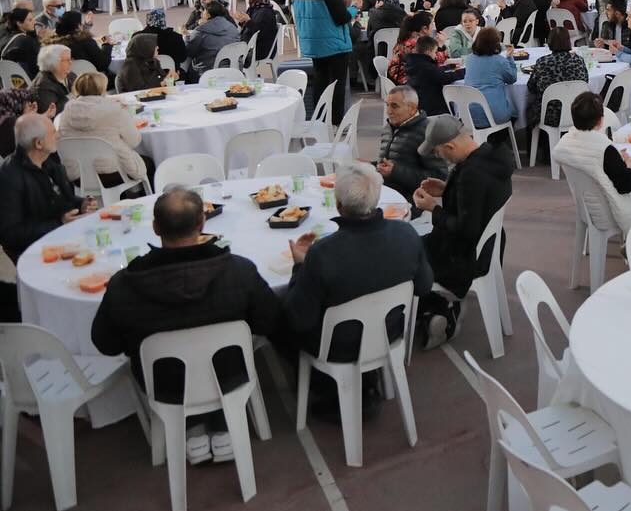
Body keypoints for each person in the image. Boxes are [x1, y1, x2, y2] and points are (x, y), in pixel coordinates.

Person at [90, 187, 280, 461]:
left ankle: (193, 428)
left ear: (155, 228)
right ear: (202, 224)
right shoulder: (238, 271)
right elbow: (269, 321)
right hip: (230, 375)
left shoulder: (124, 285)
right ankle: (219, 422)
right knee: (219, 357)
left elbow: (106, 344)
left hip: (164, 384)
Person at [283, 162, 432, 375]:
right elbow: (424, 286)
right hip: (389, 332)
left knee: (281, 318)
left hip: (336, 347)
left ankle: (321, 386)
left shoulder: (323, 253)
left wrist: (299, 266)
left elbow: (299, 319)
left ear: (338, 205)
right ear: (376, 199)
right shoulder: (406, 234)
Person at [411, 114, 515, 347]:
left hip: (466, 256)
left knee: (407, 254)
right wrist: (447, 189)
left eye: (438, 152)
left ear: (450, 146)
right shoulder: (490, 157)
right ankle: (437, 309)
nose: (438, 157)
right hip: (490, 246)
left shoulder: (471, 174)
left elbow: (466, 229)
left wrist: (432, 209)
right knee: (413, 247)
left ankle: (440, 308)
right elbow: (479, 201)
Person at [553, 91, 631, 234]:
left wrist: (618, 160)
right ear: (601, 121)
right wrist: (629, 164)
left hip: (587, 207)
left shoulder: (567, 142)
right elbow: (626, 185)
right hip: (611, 210)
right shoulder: (604, 149)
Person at [0, 113, 96, 262]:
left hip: (63, 238)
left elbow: (61, 199)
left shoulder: (48, 161)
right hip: (36, 253)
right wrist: (60, 223)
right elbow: (10, 234)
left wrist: (81, 204)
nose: (58, 136)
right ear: (39, 143)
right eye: (53, 133)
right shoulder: (9, 176)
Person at [57, 70, 150, 191]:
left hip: (78, 175)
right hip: (112, 171)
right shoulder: (114, 111)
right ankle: (137, 198)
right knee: (148, 163)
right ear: (102, 89)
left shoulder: (65, 114)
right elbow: (134, 141)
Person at [292, 0, 355, 125]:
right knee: (337, 86)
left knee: (320, 83)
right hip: (334, 44)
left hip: (313, 43)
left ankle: (319, 120)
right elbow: (341, 18)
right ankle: (335, 123)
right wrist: (354, 10)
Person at [376, 85, 449, 202]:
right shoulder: (388, 128)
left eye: (394, 106)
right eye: (387, 105)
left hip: (409, 200)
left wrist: (395, 171)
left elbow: (438, 177)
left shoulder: (427, 133)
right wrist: (368, 166)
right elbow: (386, 162)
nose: (388, 111)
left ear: (412, 109)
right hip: (383, 193)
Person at [462, 26, 516, 125]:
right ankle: (503, 137)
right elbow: (512, 79)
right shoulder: (500, 61)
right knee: (516, 112)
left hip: (469, 114)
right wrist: (510, 57)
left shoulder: (469, 59)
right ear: (496, 44)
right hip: (494, 115)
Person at [404, 35, 464, 116]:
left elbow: (435, 71)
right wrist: (464, 71)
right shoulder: (426, 67)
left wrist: (448, 67)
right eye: (435, 52)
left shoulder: (414, 63)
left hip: (420, 103)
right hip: (432, 109)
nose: (436, 55)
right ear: (428, 52)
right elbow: (445, 77)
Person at [184, 0, 241, 78]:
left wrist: (186, 36)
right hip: (233, 69)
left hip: (207, 72)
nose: (202, 12)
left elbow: (189, 51)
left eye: (203, 10)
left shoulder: (200, 31)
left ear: (208, 14)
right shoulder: (232, 28)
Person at [238, 0, 278, 64]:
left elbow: (260, 33)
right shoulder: (254, 8)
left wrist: (248, 21)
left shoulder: (266, 12)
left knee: (233, 55)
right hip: (253, 45)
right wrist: (242, 20)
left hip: (262, 49)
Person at [32, 43, 74, 116]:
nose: (71, 63)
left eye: (70, 59)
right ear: (54, 63)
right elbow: (51, 114)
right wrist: (72, 96)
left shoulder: (70, 75)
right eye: (67, 60)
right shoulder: (43, 85)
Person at [0, 6, 40, 78]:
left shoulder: (5, 37)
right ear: (19, 23)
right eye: (30, 20)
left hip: (6, 79)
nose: (34, 22)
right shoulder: (26, 40)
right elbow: (37, 65)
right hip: (26, 81)